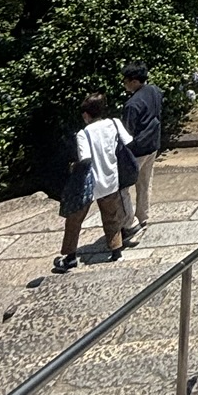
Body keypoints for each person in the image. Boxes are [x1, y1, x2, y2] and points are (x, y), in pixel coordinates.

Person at [54, 93, 133, 271]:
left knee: (74, 220)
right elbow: (128, 141)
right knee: (111, 217)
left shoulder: (84, 134)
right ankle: (116, 251)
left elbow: (85, 158)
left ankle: (70, 257)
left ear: (86, 115)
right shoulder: (114, 123)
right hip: (111, 178)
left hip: (89, 185)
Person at [119, 61, 164, 240]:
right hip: (153, 144)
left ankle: (129, 223)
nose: (124, 84)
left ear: (135, 81)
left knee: (122, 188)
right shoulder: (154, 91)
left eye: (126, 81)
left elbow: (126, 132)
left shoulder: (132, 104)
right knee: (145, 182)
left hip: (137, 150)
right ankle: (143, 216)